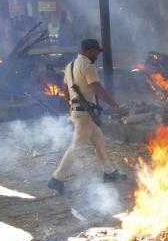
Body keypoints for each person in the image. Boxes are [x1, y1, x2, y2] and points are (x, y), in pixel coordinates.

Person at [48, 39, 126, 195]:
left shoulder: (70, 66)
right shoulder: (88, 66)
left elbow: (65, 90)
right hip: (84, 114)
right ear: (89, 51)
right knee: (76, 147)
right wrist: (115, 105)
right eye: (96, 52)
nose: (97, 55)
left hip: (78, 112)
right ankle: (57, 179)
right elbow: (96, 88)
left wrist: (71, 109)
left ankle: (110, 172)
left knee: (99, 141)